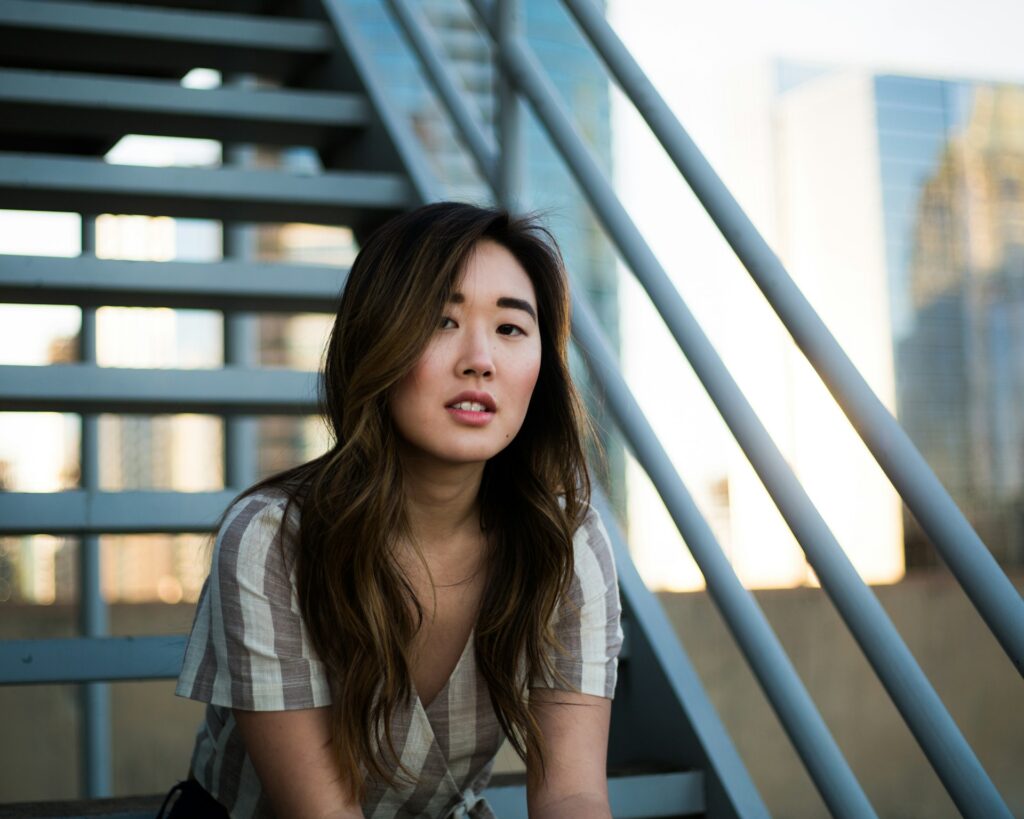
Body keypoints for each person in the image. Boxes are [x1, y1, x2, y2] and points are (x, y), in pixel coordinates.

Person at [166, 202, 623, 818]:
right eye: (441, 320)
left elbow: (573, 792)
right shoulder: (271, 540)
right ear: (376, 341)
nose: (480, 359)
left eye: (511, 328)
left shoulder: (564, 538)